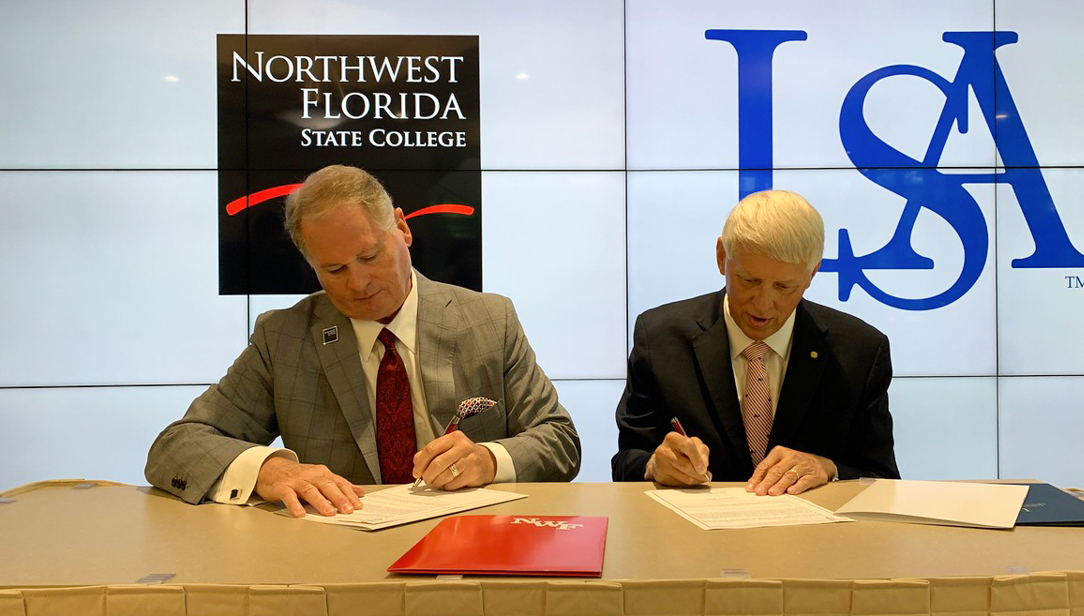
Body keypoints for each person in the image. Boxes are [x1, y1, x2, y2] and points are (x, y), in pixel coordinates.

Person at [147, 165, 580, 517]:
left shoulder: (489, 319)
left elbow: (559, 440)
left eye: (370, 256)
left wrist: (488, 460)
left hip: (472, 543)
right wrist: (267, 468)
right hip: (340, 556)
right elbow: (175, 446)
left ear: (402, 229)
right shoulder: (284, 338)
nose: (358, 283)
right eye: (334, 270)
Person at [612, 189, 899, 495]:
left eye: (784, 286)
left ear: (812, 273)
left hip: (813, 539)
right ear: (722, 257)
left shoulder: (860, 351)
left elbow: (882, 479)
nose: (764, 304)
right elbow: (626, 461)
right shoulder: (659, 337)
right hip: (692, 538)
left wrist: (827, 468)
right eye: (749, 281)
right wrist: (655, 466)